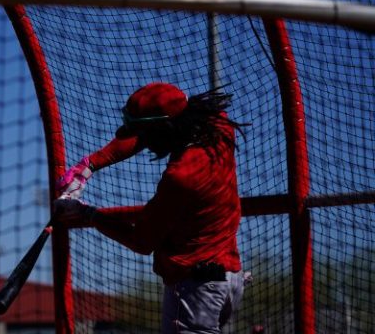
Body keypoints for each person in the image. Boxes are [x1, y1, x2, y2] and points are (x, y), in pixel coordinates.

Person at [54, 82, 246, 334]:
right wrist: (88, 166)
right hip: (231, 279)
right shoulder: (218, 127)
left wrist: (87, 213)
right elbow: (146, 134)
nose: (141, 141)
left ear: (164, 128)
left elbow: (141, 241)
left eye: (145, 133)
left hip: (195, 290)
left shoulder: (181, 176)